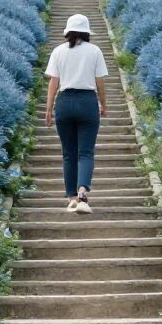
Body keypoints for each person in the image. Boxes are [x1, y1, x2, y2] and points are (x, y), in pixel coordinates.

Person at [44, 13, 108, 213]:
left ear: (68, 31)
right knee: (86, 152)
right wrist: (103, 104)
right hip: (87, 102)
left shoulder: (58, 51)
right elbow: (100, 82)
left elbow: (53, 83)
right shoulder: (95, 51)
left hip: (64, 103)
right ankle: (82, 193)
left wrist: (48, 110)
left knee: (68, 153)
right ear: (87, 32)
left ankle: (71, 197)